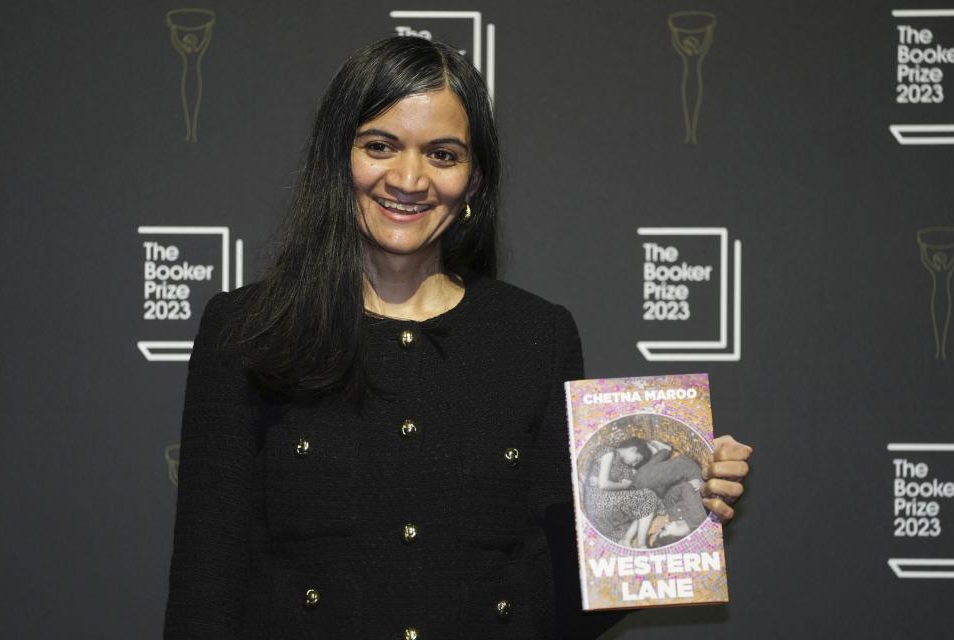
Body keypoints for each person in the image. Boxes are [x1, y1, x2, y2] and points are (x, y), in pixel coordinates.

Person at [163, 36, 752, 640]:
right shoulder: (247, 330)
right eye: (380, 146)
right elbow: (204, 590)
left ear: (473, 181)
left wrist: (680, 504)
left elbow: (558, 603)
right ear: (339, 159)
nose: (410, 179)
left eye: (443, 155)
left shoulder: (536, 336)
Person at [583, 437, 659, 548]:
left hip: (606, 518)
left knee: (648, 507)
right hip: (598, 502)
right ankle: (640, 543)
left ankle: (626, 540)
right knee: (649, 497)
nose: (634, 464)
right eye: (637, 459)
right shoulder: (609, 452)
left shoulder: (627, 468)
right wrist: (623, 485)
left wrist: (629, 483)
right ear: (632, 449)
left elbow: (632, 495)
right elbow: (603, 484)